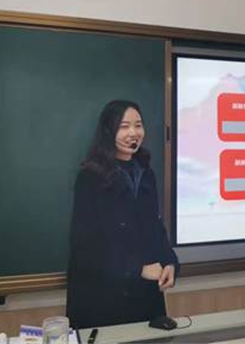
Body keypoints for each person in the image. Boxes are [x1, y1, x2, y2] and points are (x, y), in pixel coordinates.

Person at [66, 100, 179, 330]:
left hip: (144, 298)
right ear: (109, 131)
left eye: (138, 125)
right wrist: (137, 268)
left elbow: (155, 227)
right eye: (124, 126)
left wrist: (169, 261)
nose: (133, 133)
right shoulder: (90, 177)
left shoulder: (145, 173)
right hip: (103, 299)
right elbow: (84, 245)